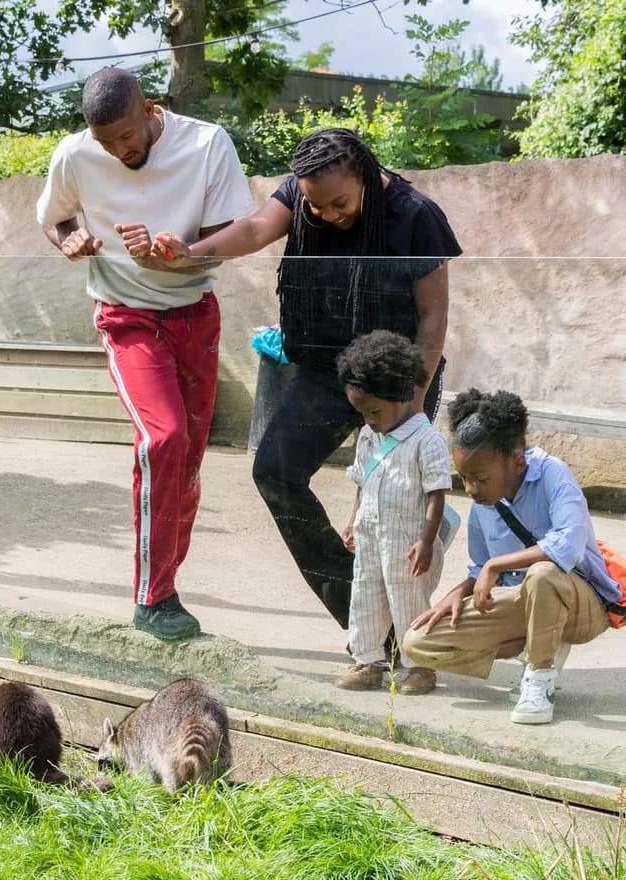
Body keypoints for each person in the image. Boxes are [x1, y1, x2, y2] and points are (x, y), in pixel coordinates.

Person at [154, 128, 461, 630]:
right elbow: (254, 230)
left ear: (363, 173)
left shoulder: (415, 215)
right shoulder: (304, 194)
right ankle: (359, 607)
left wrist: (411, 405)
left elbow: (433, 318)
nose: (326, 215)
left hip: (395, 380)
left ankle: (406, 627)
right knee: (273, 471)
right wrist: (191, 252)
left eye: (339, 202)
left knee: (394, 511)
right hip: (323, 370)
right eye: (315, 206)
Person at [36, 68, 255, 642]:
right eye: (106, 143)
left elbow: (230, 236)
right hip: (125, 314)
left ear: (149, 109)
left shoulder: (207, 144)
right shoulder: (75, 155)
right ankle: (153, 598)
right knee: (164, 439)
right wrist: (72, 242)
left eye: (127, 137)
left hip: (194, 316)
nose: (119, 150)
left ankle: (166, 580)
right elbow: (54, 218)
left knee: (186, 463)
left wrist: (180, 256)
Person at [404, 390, 616, 724]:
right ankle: (534, 644)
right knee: (418, 642)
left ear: (517, 463)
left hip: (584, 605)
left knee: (543, 574)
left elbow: (568, 546)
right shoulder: (485, 503)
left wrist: (495, 565)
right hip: (524, 601)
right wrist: (459, 592)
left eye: (480, 479)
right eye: (465, 479)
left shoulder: (553, 475)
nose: (471, 489)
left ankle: (539, 681)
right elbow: (481, 567)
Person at [336, 331, 451, 694]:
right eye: (363, 413)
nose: (369, 420)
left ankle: (420, 666)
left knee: (408, 602)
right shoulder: (369, 437)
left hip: (408, 544)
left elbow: (437, 494)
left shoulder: (426, 440)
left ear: (400, 397)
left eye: (375, 411)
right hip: (371, 536)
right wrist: (353, 519)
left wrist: (427, 541)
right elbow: (361, 481)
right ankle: (367, 660)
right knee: (365, 596)